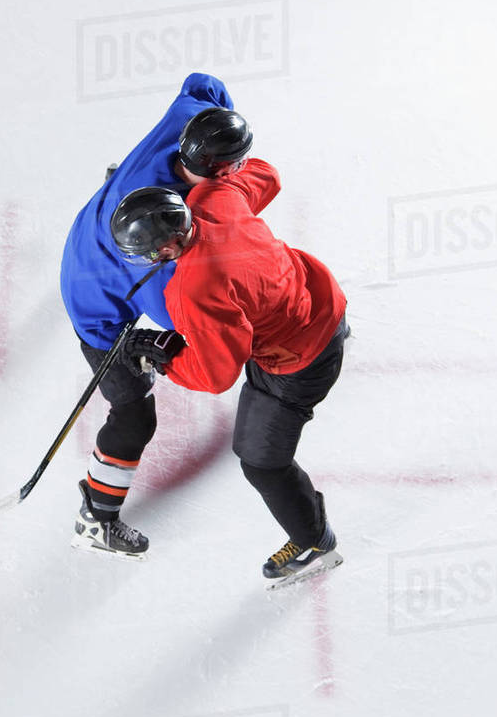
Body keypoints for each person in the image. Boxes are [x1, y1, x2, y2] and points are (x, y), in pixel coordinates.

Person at [110, 161, 348, 584]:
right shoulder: (215, 196)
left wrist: (165, 360)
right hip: (321, 298)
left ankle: (313, 541)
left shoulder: (194, 291)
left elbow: (215, 376)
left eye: (149, 251)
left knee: (261, 462)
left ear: (169, 245)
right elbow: (266, 176)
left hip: (299, 359)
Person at [60, 73, 253, 558]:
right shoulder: (157, 274)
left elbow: (203, 83)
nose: (241, 172)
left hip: (101, 223)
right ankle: (95, 519)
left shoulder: (190, 118)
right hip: (97, 309)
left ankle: (118, 182)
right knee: (134, 415)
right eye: (235, 168)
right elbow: (188, 323)